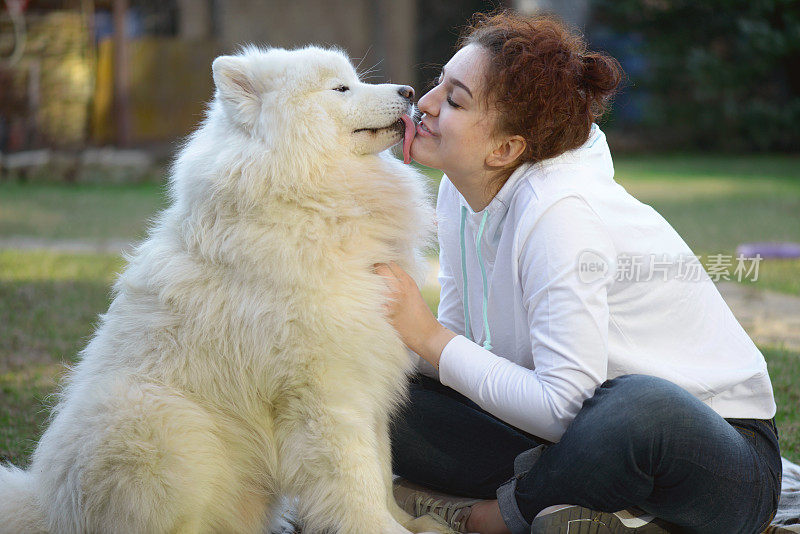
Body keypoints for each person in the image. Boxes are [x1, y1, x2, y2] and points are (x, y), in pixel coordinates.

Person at [374, 10, 782, 534]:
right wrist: (394, 344)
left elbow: (564, 406)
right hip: (563, 443)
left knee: (638, 406)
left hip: (713, 457)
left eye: (454, 100)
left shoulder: (561, 213)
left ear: (505, 149)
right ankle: (604, 515)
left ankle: (494, 517)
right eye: (438, 84)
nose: (424, 105)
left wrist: (426, 336)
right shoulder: (461, 189)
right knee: (378, 388)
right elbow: (468, 352)